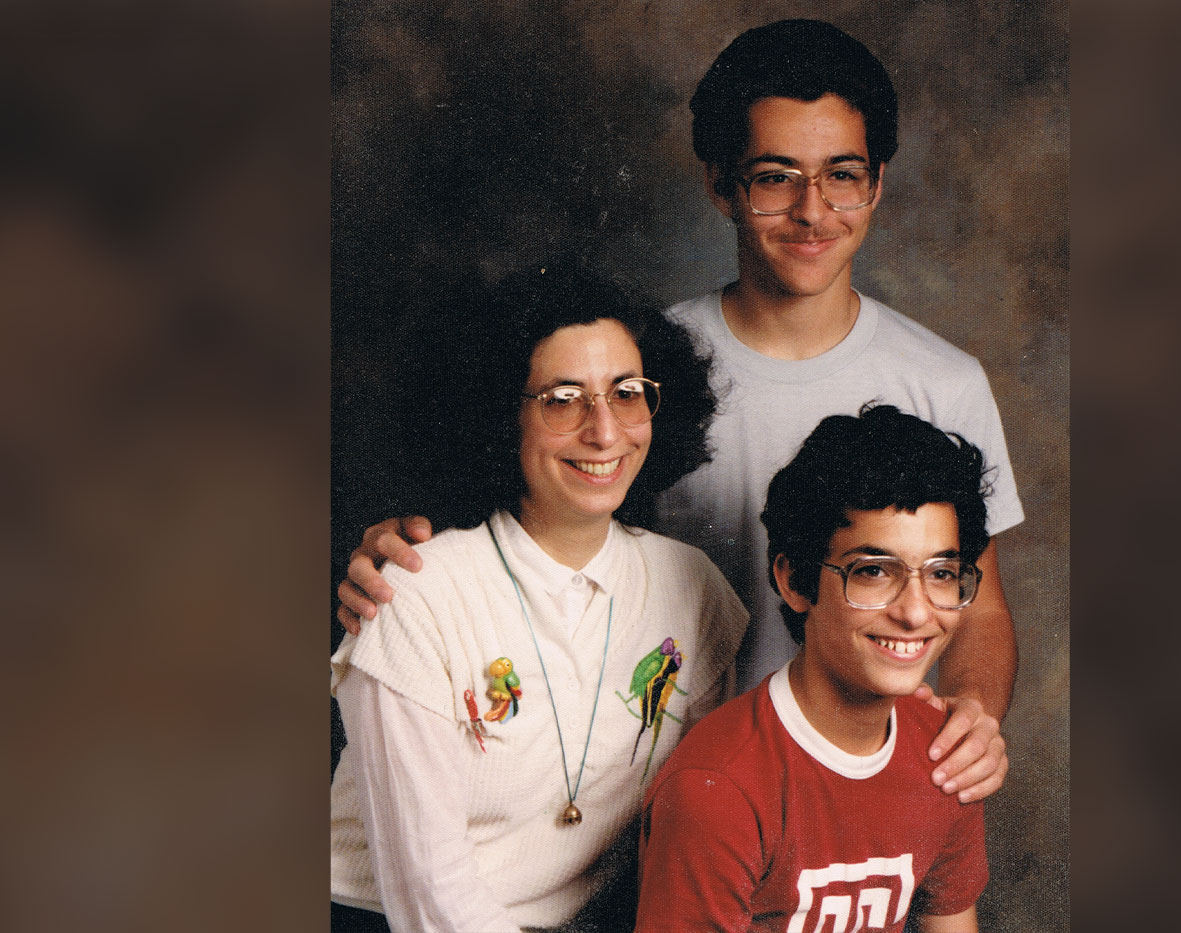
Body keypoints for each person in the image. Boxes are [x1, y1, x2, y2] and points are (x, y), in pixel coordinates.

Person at [337, 19, 1019, 803]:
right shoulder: (636, 375)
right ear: (719, 183)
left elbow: (982, 609)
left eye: (841, 175)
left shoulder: (946, 381)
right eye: (773, 177)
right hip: (649, 787)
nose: (812, 210)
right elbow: (515, 537)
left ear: (877, 182)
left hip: (846, 792)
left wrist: (973, 711)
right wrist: (402, 566)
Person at [329, 267, 748, 932]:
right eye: (562, 399)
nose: (605, 432)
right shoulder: (411, 591)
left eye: (628, 394)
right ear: (501, 415)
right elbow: (427, 892)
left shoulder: (695, 589)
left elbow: (687, 828)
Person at [636, 405, 990, 932]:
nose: (916, 612)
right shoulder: (717, 789)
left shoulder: (948, 757)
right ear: (796, 582)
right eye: (873, 571)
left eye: (941, 573)